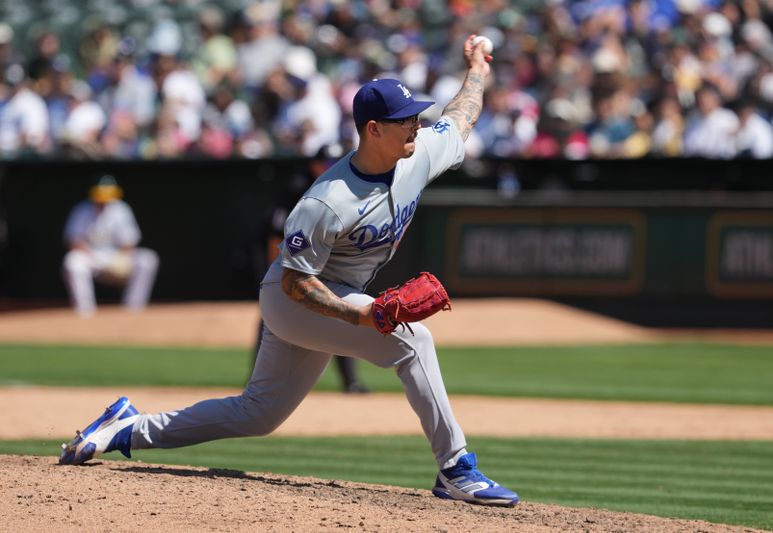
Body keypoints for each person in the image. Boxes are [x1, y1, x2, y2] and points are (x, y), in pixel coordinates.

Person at [59, 35, 519, 508]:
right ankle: (457, 468)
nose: (416, 127)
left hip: (332, 295)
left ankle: (126, 427)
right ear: (374, 129)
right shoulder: (327, 201)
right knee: (413, 341)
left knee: (258, 414)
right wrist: (356, 316)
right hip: (294, 299)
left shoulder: (418, 154)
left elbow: (461, 116)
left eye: (417, 117)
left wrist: (478, 68)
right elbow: (295, 283)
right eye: (405, 121)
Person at [253, 143, 370, 394]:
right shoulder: (297, 188)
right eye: (327, 163)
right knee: (271, 315)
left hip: (323, 262)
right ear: (313, 164)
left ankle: (350, 381)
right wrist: (278, 274)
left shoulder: (343, 189)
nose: (331, 168)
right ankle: (256, 381)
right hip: (287, 260)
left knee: (338, 310)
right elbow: (274, 235)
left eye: (335, 163)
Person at [62, 175, 160, 316]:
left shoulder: (121, 209)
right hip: (91, 257)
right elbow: (73, 240)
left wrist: (121, 256)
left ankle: (133, 309)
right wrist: (91, 255)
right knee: (73, 262)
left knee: (147, 259)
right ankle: (85, 311)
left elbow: (130, 240)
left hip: (117, 255)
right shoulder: (82, 210)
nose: (104, 200)